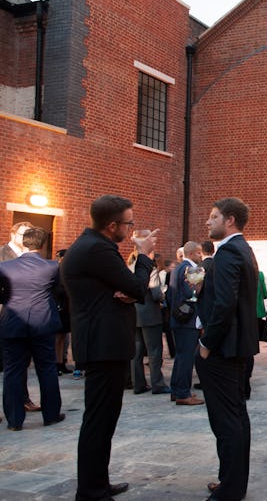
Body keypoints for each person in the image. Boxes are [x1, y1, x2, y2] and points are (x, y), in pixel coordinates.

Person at [61, 194, 157, 501]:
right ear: (112, 224)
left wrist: (128, 290)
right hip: (103, 345)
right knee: (99, 421)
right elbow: (138, 287)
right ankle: (91, 489)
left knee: (103, 419)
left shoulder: (92, 247)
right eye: (129, 223)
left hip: (103, 343)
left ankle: (98, 483)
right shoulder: (98, 250)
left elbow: (127, 290)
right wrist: (143, 256)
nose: (131, 229)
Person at [196, 197, 259, 501]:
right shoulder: (240, 249)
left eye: (213, 216)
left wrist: (207, 344)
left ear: (229, 220)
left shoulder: (229, 253)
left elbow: (225, 304)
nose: (208, 222)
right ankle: (230, 481)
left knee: (227, 420)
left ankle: (231, 489)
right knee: (234, 417)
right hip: (235, 347)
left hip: (224, 349)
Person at [0, 226, 64, 430]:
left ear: (23, 243)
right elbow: (59, 292)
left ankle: (14, 421)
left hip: (12, 324)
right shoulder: (52, 267)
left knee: (13, 371)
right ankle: (51, 415)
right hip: (42, 323)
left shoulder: (6, 267)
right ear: (43, 244)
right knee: (47, 368)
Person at [0, 221, 39, 411]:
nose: (26, 238)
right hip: (5, 315)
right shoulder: (2, 255)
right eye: (23, 234)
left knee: (21, 362)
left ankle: (23, 399)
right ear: (13, 235)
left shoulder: (29, 257)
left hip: (25, 319)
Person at [169, 241, 205, 406]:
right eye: (198, 253)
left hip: (178, 318)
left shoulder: (176, 268)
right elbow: (193, 294)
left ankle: (176, 390)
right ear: (191, 254)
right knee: (186, 357)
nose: (201, 256)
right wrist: (201, 284)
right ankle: (183, 393)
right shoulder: (191, 269)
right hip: (188, 320)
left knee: (180, 356)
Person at [129, 252, 169, 395]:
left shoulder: (129, 268)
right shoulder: (150, 270)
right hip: (150, 314)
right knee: (154, 351)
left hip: (134, 313)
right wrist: (164, 295)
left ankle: (138, 384)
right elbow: (156, 293)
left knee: (136, 352)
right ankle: (157, 384)